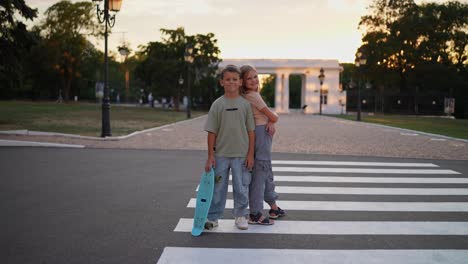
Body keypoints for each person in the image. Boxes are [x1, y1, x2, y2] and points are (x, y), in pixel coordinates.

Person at [204, 64, 255, 230]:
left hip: (241, 155)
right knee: (218, 188)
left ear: (240, 82)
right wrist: (210, 156)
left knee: (241, 188)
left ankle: (240, 216)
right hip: (221, 155)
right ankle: (213, 217)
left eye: (235, 79)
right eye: (228, 79)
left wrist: (250, 155)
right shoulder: (217, 105)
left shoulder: (245, 105)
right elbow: (211, 132)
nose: (231, 82)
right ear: (221, 82)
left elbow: (251, 131)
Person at [240, 64, 286, 225]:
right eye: (248, 78)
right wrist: (271, 120)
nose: (253, 80)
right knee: (261, 173)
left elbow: (270, 117)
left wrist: (270, 120)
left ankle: (273, 207)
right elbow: (274, 117)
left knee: (264, 171)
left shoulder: (251, 95)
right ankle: (255, 213)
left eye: (255, 76)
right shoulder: (253, 95)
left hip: (259, 132)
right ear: (243, 82)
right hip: (260, 135)